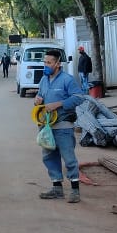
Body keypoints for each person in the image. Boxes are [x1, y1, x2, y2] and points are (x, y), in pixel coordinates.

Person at [36, 48, 84, 203]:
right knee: (49, 157)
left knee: (69, 158)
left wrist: (59, 104)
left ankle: (75, 190)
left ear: (58, 63)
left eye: (49, 62)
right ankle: (57, 188)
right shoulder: (44, 80)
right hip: (46, 126)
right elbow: (41, 95)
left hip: (63, 126)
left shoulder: (67, 80)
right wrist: (38, 99)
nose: (46, 65)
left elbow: (79, 97)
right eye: (44, 62)